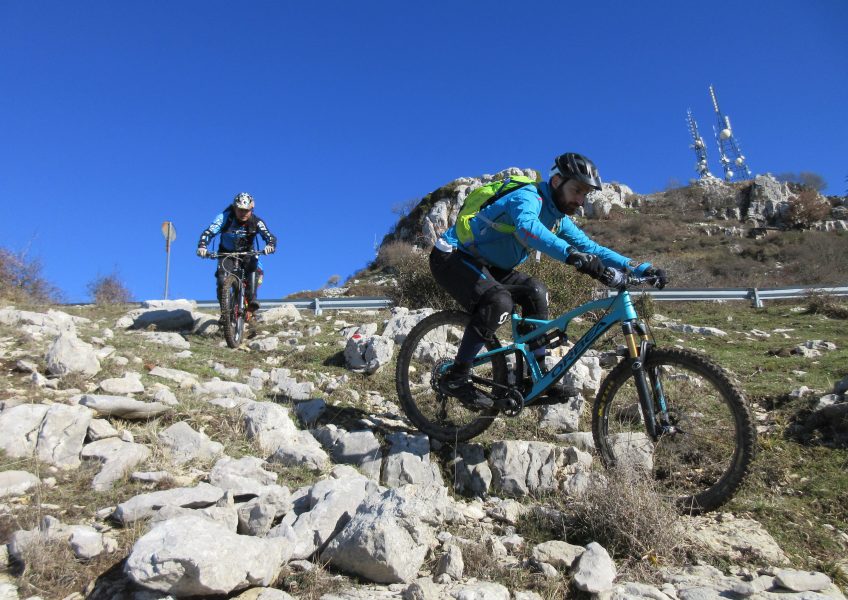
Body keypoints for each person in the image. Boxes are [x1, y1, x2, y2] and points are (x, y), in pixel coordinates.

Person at [430, 152, 667, 407]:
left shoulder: (557, 219)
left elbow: (592, 249)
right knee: (498, 302)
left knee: (536, 291)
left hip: (491, 264)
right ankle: (457, 376)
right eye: (576, 190)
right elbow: (527, 228)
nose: (580, 200)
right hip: (453, 254)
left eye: (585, 194)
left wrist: (639, 268)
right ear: (556, 182)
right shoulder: (527, 197)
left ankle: (536, 375)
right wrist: (571, 255)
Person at [196, 192, 277, 316]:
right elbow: (209, 232)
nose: (243, 213)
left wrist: (270, 245)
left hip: (247, 252)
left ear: (251, 209)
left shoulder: (256, 221)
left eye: (246, 210)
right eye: (240, 210)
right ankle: (225, 313)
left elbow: (269, 236)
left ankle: (251, 299)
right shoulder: (224, 218)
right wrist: (202, 245)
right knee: (222, 280)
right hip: (226, 252)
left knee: (253, 268)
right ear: (234, 208)